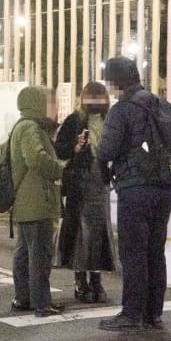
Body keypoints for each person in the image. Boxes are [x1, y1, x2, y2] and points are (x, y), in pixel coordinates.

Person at [97, 57, 171, 332]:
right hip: (165, 189)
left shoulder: (122, 110)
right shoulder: (162, 104)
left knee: (133, 252)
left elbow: (105, 151)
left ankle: (131, 313)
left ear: (116, 82)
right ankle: (153, 313)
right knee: (155, 251)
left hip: (135, 188)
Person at [54, 82, 116, 303]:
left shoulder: (110, 121)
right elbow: (59, 149)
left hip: (101, 185)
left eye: (100, 98)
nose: (96, 103)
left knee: (99, 234)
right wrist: (76, 147)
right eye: (92, 98)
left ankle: (96, 279)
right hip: (79, 188)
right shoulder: (74, 121)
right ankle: (80, 280)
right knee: (81, 235)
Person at [10, 85, 65, 317]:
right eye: (48, 102)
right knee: (39, 255)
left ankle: (24, 298)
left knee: (24, 253)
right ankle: (41, 303)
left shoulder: (23, 126)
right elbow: (36, 158)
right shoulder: (31, 127)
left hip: (26, 201)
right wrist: (59, 169)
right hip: (36, 201)